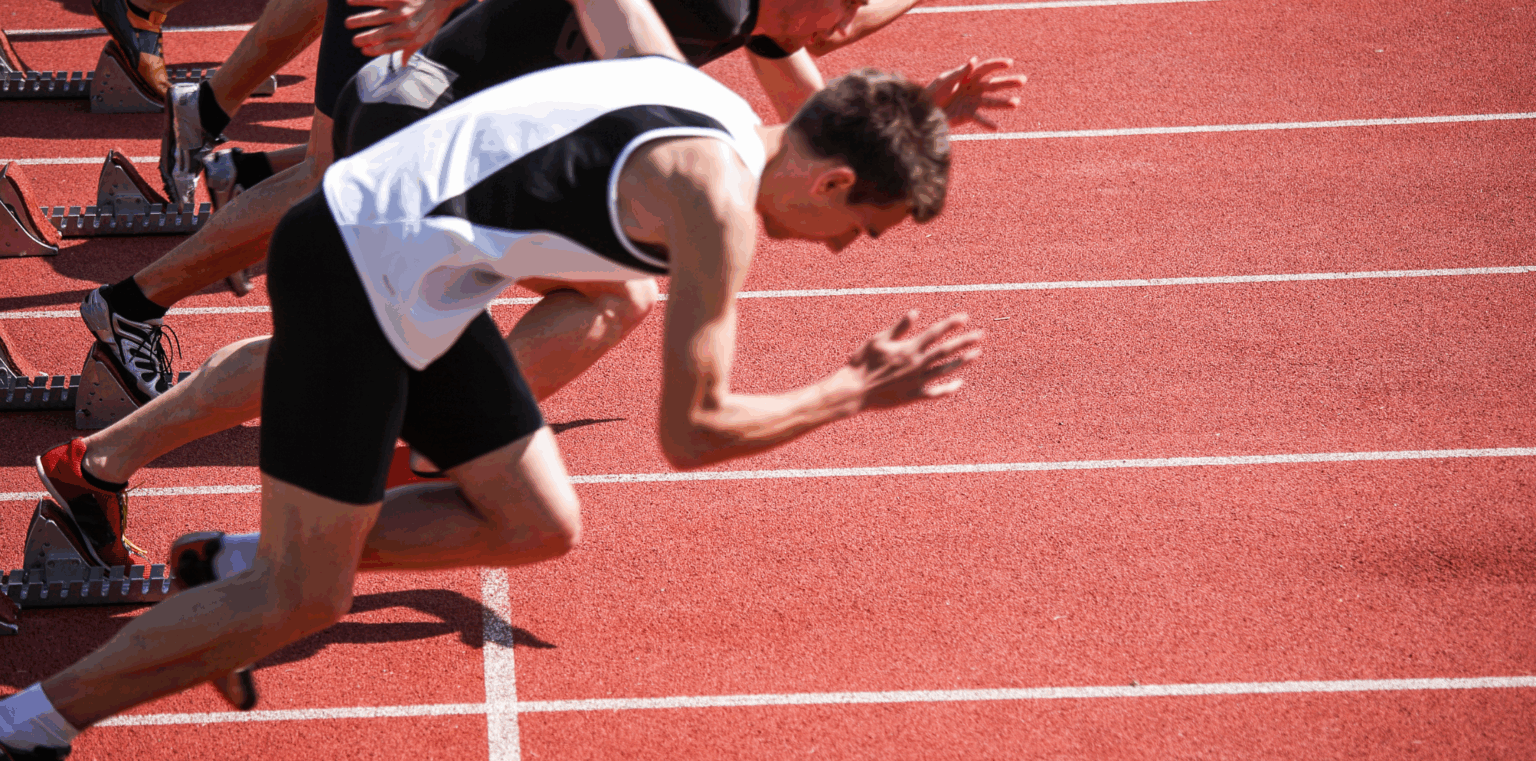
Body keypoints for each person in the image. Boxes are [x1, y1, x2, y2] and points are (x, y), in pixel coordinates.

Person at [4, 57, 977, 759]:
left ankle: (226, 561)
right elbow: (693, 431)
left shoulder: (706, 98)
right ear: (834, 180)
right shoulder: (718, 203)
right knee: (304, 597)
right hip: (360, 274)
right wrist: (852, 389)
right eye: (862, 227)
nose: (843, 248)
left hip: (424, 276)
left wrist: (914, 113)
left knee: (537, 519)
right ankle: (29, 720)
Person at [90, 0, 1024, 405]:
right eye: (846, 13)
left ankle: (450, 421)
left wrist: (916, 116)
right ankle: (133, 307)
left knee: (335, 200)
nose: (848, 30)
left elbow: (815, 132)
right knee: (329, 190)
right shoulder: (720, 0)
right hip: (440, 69)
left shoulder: (755, 21)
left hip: (479, 100)